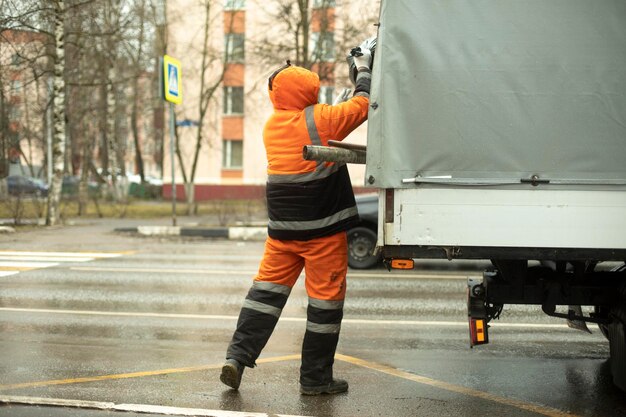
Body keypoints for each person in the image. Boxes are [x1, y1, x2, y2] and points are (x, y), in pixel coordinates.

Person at [220, 37, 375, 396]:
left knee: (264, 295)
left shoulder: (272, 126)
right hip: (322, 234)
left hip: (282, 235)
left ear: (277, 94)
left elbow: (326, 120)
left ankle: (236, 358)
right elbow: (363, 105)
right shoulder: (322, 119)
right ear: (310, 90)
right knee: (324, 306)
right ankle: (314, 380)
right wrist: (363, 70)